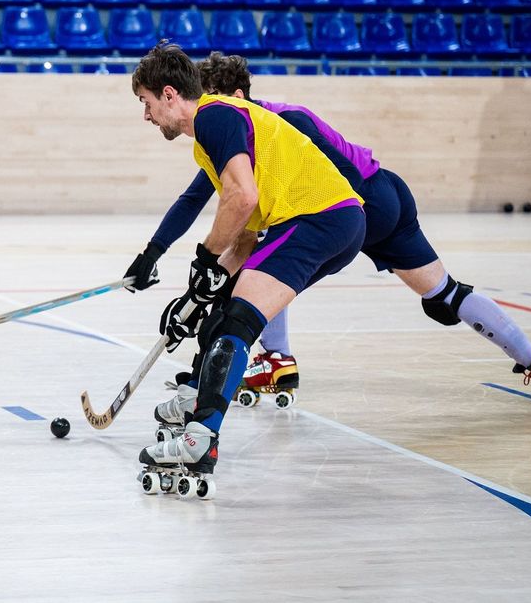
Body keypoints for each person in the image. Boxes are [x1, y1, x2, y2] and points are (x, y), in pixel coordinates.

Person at [126, 52, 531, 416]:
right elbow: (199, 197)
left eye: (218, 96)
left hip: (359, 204)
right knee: (445, 296)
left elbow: (305, 195)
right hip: (386, 193)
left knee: (268, 263)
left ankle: (275, 361)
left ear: (237, 94)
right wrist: (154, 252)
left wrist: (196, 266)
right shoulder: (255, 125)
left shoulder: (252, 125)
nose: (211, 105)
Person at [130, 43, 367, 498]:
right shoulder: (208, 141)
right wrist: (197, 298)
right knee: (226, 315)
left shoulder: (215, 117)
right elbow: (243, 234)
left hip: (319, 218)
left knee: (236, 321)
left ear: (169, 94)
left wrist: (202, 266)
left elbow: (242, 199)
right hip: (328, 222)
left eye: (146, 103)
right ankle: (200, 404)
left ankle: (200, 438)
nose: (146, 115)